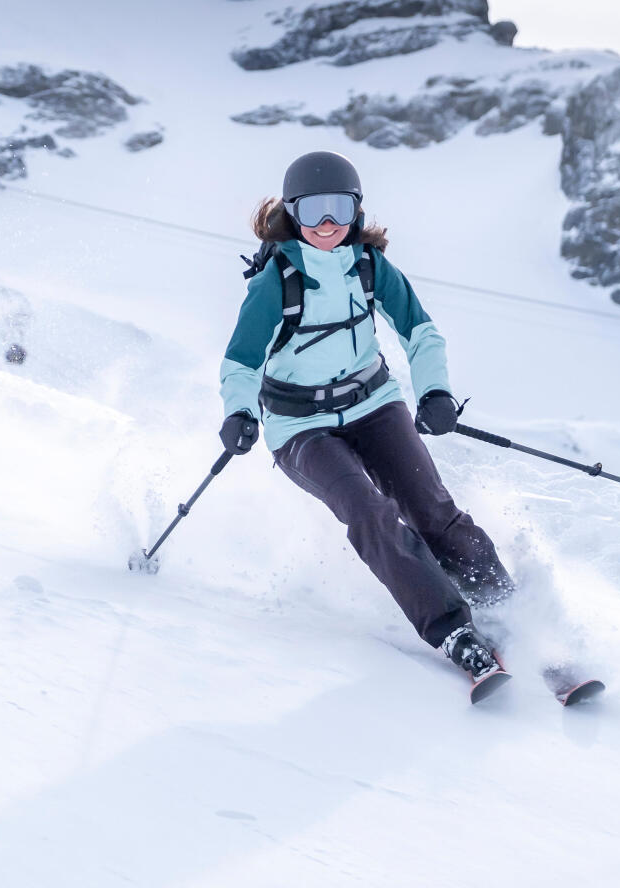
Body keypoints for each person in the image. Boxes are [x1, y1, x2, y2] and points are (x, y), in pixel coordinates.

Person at [218, 150, 516, 687]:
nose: (327, 224)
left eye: (339, 210)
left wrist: (435, 393)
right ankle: (453, 630)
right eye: (312, 212)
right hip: (300, 425)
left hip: (373, 403)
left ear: (356, 211)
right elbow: (241, 362)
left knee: (431, 508)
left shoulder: (369, 266)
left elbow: (421, 333)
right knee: (370, 513)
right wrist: (240, 414)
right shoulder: (277, 281)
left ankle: (505, 606)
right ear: (292, 214)